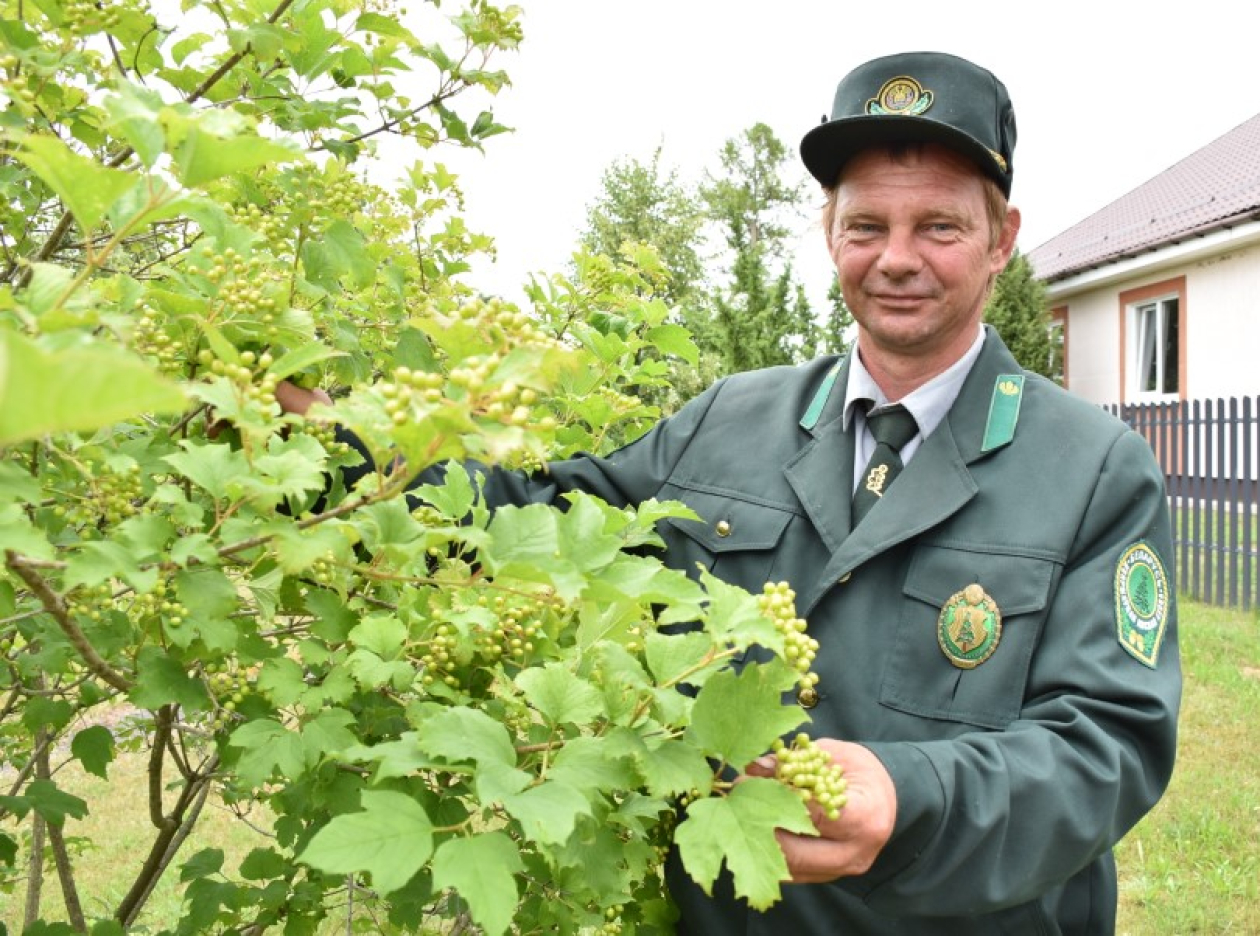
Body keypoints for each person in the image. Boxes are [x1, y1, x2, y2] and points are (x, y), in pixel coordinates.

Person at [282, 50, 1181, 935]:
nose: (897, 259)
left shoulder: (1092, 470)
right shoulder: (729, 421)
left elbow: (1107, 747)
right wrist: (319, 454)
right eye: (866, 225)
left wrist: (911, 796)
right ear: (831, 233)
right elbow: (537, 522)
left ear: (1001, 240)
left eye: (939, 227)